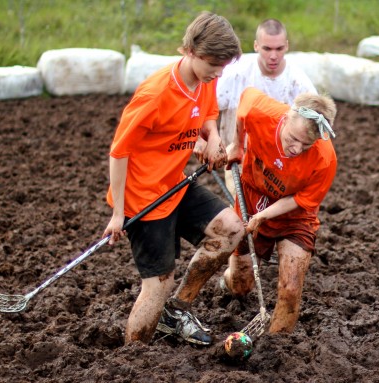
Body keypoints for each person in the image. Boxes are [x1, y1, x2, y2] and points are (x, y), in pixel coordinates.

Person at [103, 12, 244, 346]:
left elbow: (208, 115)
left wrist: (211, 139)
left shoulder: (205, 80)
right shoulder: (154, 94)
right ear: (192, 51)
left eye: (224, 66)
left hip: (176, 184)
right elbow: (118, 152)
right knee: (159, 284)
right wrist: (118, 213)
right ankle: (133, 355)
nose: (219, 73)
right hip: (144, 199)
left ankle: (176, 311)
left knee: (231, 230)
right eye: (215, 64)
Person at [221, 87, 337, 333]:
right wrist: (236, 145)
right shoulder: (261, 112)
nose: (295, 149)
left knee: (291, 287)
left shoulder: (325, 159)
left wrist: (262, 216)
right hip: (253, 198)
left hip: (293, 218)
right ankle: (228, 280)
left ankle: (278, 346)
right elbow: (243, 106)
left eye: (305, 145)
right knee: (241, 285)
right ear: (285, 119)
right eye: (292, 139)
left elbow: (299, 200)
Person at [213, 18, 318, 197]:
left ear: (287, 46)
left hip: (279, 163)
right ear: (256, 46)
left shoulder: (298, 83)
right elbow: (208, 108)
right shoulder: (235, 74)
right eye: (267, 48)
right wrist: (209, 140)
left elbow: (315, 127)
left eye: (279, 49)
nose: (273, 55)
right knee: (243, 207)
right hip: (239, 156)